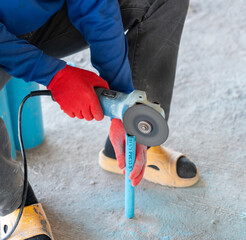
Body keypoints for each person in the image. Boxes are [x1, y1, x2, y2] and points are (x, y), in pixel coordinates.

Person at [0, 0, 198, 239]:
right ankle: (11, 203)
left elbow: (96, 5)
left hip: (45, 22)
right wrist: (54, 75)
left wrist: (123, 102)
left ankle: (136, 139)